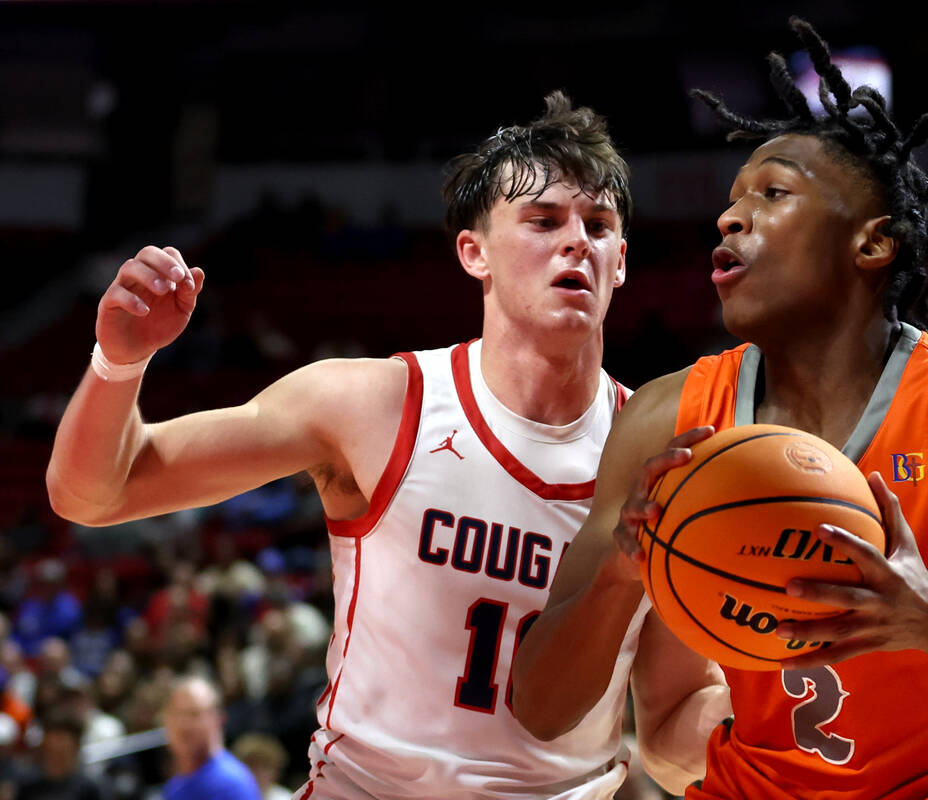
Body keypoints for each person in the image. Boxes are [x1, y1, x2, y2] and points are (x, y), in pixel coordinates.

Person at [47, 92, 726, 799]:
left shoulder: (658, 456)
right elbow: (96, 491)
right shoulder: (373, 404)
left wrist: (771, 711)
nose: (577, 240)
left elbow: (674, 737)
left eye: (600, 225)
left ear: (620, 263)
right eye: (544, 220)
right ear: (475, 252)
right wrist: (119, 361)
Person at [512, 18, 928, 799]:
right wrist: (618, 579)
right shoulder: (670, 421)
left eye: (773, 194)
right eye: (732, 204)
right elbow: (540, 705)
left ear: (872, 244)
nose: (732, 218)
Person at [161, 676, 262, 800]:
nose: (183, 725)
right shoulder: (175, 785)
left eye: (194, 714)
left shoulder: (229, 783)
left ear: (218, 719)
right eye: (176, 714)